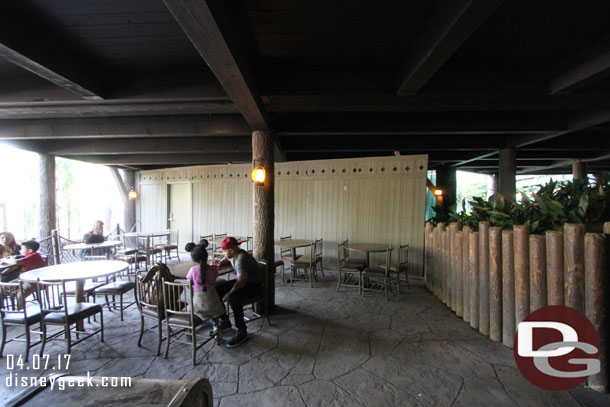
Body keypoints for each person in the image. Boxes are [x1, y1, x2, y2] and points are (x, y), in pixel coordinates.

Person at [214, 237, 262, 348]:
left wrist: (228, 294)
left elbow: (240, 283)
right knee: (216, 290)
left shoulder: (241, 259)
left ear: (231, 250)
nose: (223, 253)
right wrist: (221, 262)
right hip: (244, 282)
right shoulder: (234, 254)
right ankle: (225, 321)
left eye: (224, 251)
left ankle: (242, 331)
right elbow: (228, 259)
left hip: (254, 286)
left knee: (234, 298)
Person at [184, 239, 225, 323]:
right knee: (212, 310)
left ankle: (198, 321)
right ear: (207, 256)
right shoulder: (214, 269)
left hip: (199, 304)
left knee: (188, 307)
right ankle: (215, 325)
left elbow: (188, 284)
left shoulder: (193, 270)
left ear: (193, 259)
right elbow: (214, 279)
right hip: (214, 303)